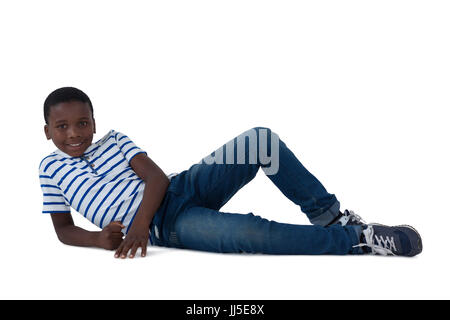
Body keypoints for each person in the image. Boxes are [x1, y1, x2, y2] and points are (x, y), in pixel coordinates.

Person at [39, 87, 422, 259]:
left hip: (179, 187)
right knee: (251, 232)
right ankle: (358, 239)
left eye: (82, 123)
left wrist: (135, 226)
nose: (75, 134)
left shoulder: (115, 140)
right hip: (167, 225)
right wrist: (99, 240)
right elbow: (62, 229)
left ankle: (331, 217)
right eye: (62, 127)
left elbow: (156, 178)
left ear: (94, 122)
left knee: (260, 139)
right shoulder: (49, 168)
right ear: (47, 131)